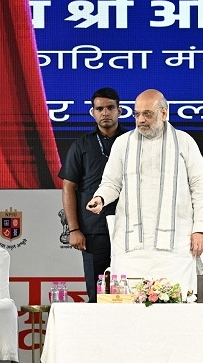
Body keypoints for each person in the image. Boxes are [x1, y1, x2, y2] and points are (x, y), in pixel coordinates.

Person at [86, 89, 203, 293]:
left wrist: (199, 229)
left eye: (147, 114)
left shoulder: (184, 141)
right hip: (132, 246)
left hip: (177, 244)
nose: (141, 119)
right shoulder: (123, 143)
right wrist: (100, 198)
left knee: (178, 305)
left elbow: (200, 187)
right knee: (129, 308)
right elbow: (111, 183)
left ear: (164, 113)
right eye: (137, 114)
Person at [58, 87, 128, 302]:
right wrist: (75, 229)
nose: (105, 113)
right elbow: (68, 187)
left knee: (128, 288)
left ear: (120, 110)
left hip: (129, 227)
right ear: (93, 113)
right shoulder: (81, 145)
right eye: (99, 109)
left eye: (110, 108)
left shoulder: (133, 142)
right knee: (97, 292)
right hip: (92, 229)